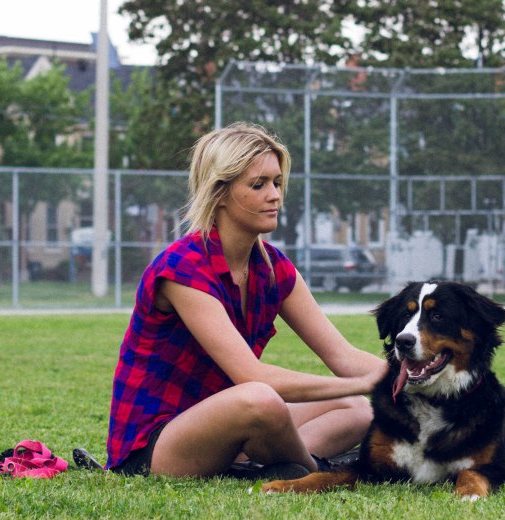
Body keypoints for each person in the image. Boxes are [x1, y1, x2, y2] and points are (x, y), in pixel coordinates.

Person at [106, 122, 384, 479]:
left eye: (277, 182)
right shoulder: (181, 269)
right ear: (219, 193)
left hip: (228, 425)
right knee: (260, 399)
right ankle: (314, 471)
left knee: (358, 409)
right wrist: (364, 383)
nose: (275, 196)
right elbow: (250, 376)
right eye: (259, 185)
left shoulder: (274, 268)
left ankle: (265, 464)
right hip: (156, 447)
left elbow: (341, 355)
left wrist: (409, 379)